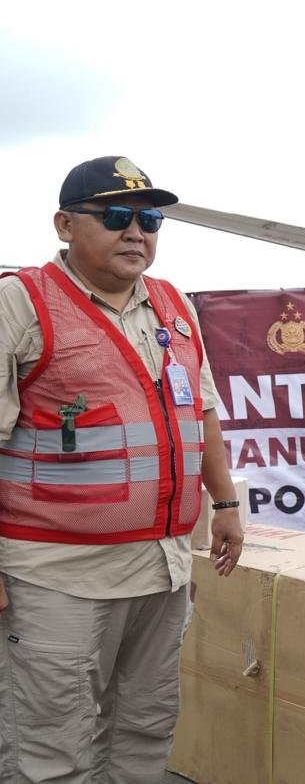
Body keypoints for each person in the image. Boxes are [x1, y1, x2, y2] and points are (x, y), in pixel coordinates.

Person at [0, 155, 244, 782]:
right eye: (114, 216)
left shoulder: (172, 304)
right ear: (64, 225)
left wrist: (225, 505)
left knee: (145, 726)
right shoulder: (19, 303)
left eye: (149, 220)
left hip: (161, 568)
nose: (136, 232)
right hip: (58, 576)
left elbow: (202, 413)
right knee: (52, 747)